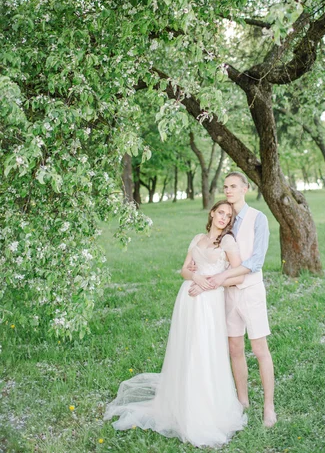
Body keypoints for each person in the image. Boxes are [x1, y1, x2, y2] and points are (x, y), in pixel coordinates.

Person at [104, 200, 247, 448]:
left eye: (229, 216)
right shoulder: (197, 238)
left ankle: (204, 407)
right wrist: (195, 276)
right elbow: (184, 269)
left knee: (204, 350)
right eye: (221, 213)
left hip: (209, 301)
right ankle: (182, 400)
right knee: (187, 347)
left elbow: (239, 274)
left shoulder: (228, 242)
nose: (224, 218)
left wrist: (209, 283)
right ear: (212, 213)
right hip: (188, 300)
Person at [189, 172, 276, 427]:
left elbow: (256, 261)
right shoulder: (225, 220)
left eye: (234, 186)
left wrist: (219, 277)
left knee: (260, 350)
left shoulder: (258, 219)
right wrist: (204, 275)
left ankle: (269, 407)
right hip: (226, 295)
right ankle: (242, 401)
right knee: (235, 349)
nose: (228, 190)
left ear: (245, 189)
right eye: (226, 186)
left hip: (250, 292)